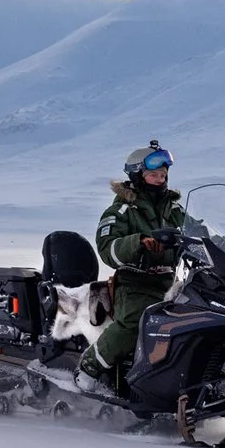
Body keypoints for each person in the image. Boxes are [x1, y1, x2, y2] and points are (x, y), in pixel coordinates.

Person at [85, 140, 188, 392]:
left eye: (163, 174)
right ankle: (89, 368)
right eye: (153, 174)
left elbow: (201, 231)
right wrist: (139, 242)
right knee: (138, 321)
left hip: (170, 282)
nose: (160, 178)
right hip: (135, 283)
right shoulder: (121, 210)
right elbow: (107, 247)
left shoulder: (174, 209)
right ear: (137, 175)